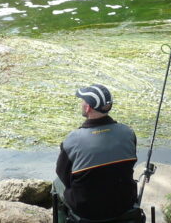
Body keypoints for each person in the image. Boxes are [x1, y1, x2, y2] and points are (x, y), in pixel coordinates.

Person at [54, 84, 138, 222]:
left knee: (56, 184)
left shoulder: (73, 139)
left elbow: (62, 175)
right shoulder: (128, 133)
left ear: (88, 108)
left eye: (83, 101)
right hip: (123, 204)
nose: (82, 104)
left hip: (86, 211)